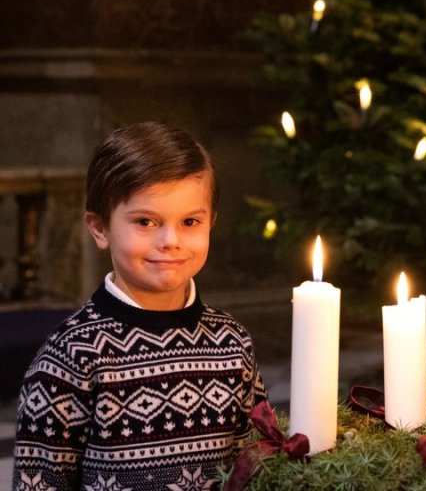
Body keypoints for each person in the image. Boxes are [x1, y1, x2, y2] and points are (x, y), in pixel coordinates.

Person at [13, 122, 267, 490]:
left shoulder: (232, 341)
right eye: (146, 221)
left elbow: (256, 463)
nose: (170, 240)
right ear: (100, 228)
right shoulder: (70, 357)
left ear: (211, 223)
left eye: (190, 222)